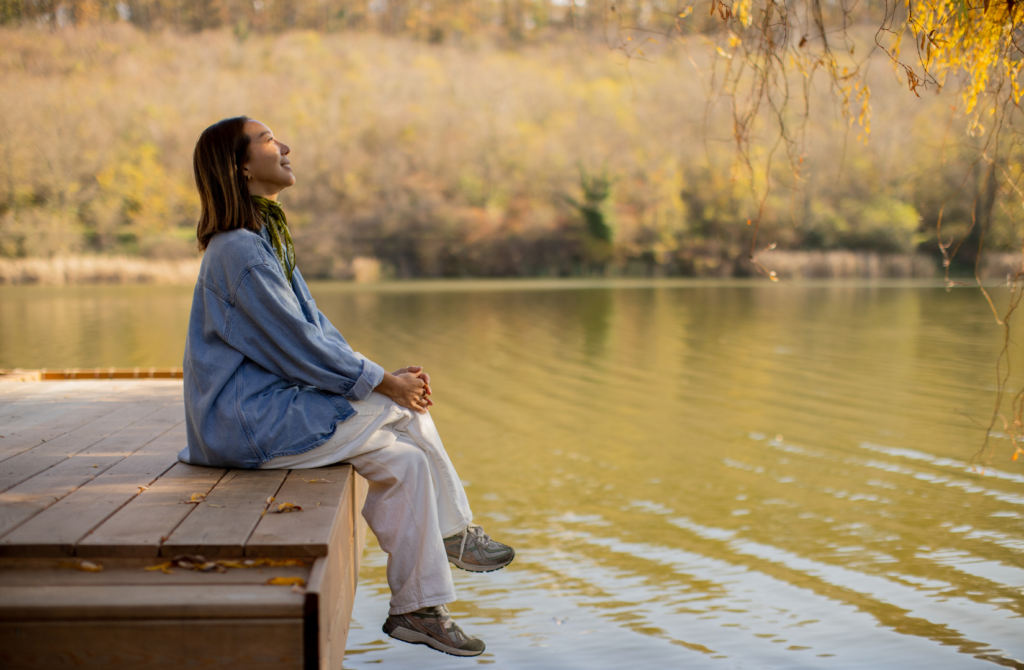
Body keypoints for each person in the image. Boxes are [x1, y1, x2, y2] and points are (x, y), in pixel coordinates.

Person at [179, 116, 514, 658]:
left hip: (268, 411)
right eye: (269, 140)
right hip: (244, 423)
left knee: (406, 463)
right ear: (241, 166)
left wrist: (383, 378)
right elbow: (299, 346)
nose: (285, 146)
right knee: (410, 411)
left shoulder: (263, 237)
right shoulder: (238, 250)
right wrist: (386, 384)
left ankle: (417, 609)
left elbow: (315, 329)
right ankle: (455, 532)